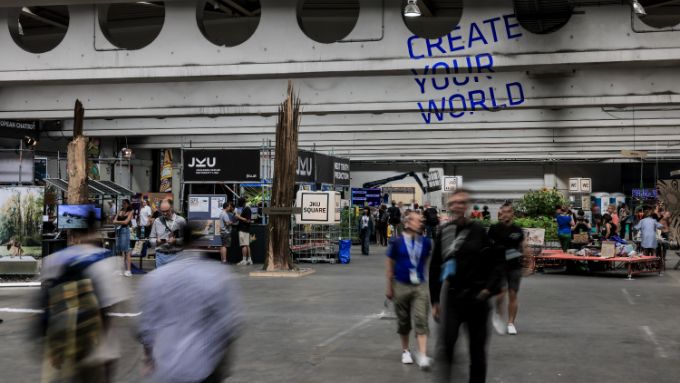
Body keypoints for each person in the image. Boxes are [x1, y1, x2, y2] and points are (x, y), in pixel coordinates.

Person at [138, 221, 243, 383]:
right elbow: (229, 326)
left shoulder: (156, 278)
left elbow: (146, 327)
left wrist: (149, 358)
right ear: (203, 241)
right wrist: (222, 365)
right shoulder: (217, 275)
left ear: (181, 241)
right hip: (202, 368)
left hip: (164, 369)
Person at [39, 208, 129, 383]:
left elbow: (45, 307)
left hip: (60, 351)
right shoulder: (108, 262)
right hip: (95, 354)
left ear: (72, 233)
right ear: (98, 229)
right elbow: (108, 310)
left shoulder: (53, 261)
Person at [429, 189, 504, 383]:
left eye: (462, 202)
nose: (458, 205)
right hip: (453, 299)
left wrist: (489, 289)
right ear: (449, 206)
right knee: (446, 346)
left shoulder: (479, 231)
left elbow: (496, 263)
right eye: (454, 202)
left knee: (477, 352)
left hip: (478, 299)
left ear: (467, 205)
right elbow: (435, 267)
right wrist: (435, 300)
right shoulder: (444, 232)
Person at [385, 211, 432, 370]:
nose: (420, 223)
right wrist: (389, 287)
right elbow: (390, 264)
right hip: (400, 284)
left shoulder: (426, 242)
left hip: (419, 285)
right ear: (407, 223)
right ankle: (406, 350)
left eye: (421, 221)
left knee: (421, 317)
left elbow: (424, 261)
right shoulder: (397, 242)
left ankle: (423, 354)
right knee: (403, 320)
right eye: (417, 221)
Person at [489, 203, 527, 336]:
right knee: (501, 293)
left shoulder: (518, 230)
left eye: (508, 212)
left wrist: (529, 262)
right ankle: (497, 312)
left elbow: (524, 245)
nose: (506, 214)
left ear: (512, 214)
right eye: (503, 212)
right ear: (500, 214)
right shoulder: (494, 228)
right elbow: (487, 247)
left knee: (513, 294)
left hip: (515, 266)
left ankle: (511, 323)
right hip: (498, 265)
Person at [149, 199, 186, 268]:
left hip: (176, 256)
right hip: (160, 257)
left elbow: (187, 240)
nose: (165, 213)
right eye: (163, 211)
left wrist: (176, 241)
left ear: (171, 208)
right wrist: (156, 241)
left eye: (167, 211)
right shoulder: (157, 221)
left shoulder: (181, 221)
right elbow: (151, 239)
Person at [113, 199, 133, 277]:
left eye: (124, 203)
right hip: (119, 231)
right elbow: (114, 220)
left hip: (125, 231)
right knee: (120, 251)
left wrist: (117, 222)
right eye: (122, 203)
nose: (123, 205)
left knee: (126, 250)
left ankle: (128, 270)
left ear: (128, 204)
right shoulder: (120, 210)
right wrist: (119, 222)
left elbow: (126, 222)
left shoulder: (131, 211)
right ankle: (120, 269)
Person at [235, 197, 252, 266]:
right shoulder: (245, 208)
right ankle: (249, 259)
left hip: (243, 229)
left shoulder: (247, 209)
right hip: (245, 229)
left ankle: (244, 260)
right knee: (247, 244)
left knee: (244, 245)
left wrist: (239, 217)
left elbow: (248, 220)